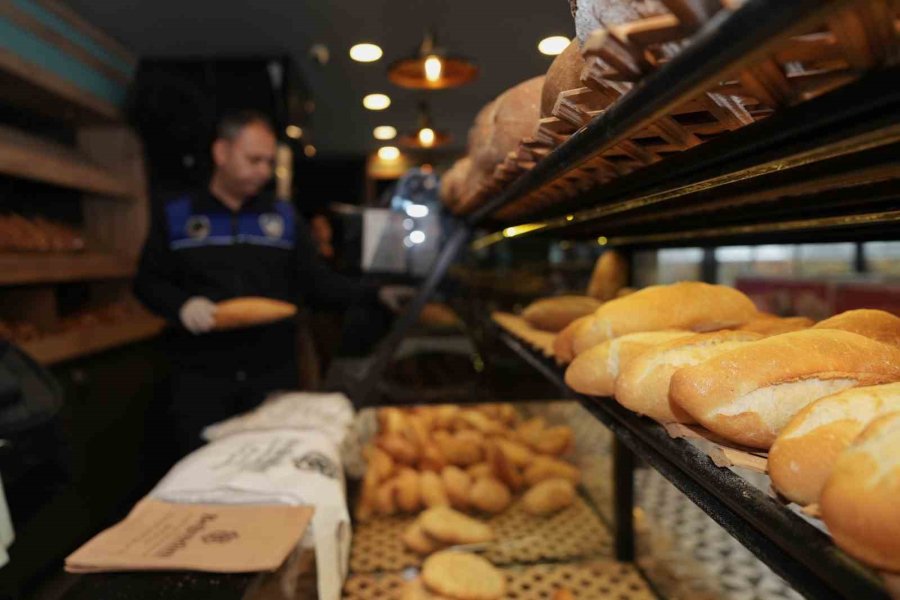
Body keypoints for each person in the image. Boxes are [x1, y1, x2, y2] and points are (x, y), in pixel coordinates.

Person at [135, 110, 410, 454]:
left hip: (272, 374)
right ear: (221, 153)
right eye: (254, 160)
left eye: (269, 162)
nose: (264, 171)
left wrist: (376, 293)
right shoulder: (178, 214)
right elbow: (147, 282)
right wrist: (182, 306)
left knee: (272, 460)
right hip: (199, 376)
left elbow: (318, 283)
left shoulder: (283, 217)